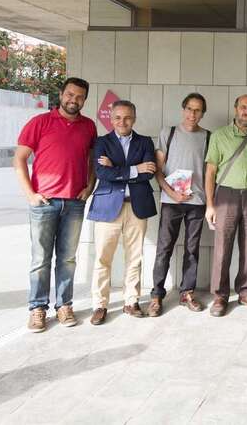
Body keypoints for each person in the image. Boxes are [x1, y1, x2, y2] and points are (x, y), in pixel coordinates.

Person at [14, 77, 96, 332]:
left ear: (85, 99)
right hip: (44, 202)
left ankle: (64, 306)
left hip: (74, 203)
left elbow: (92, 160)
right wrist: (30, 194)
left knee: (68, 259)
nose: (74, 100)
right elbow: (19, 159)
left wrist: (89, 186)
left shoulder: (89, 126)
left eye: (80, 96)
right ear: (61, 94)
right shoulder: (39, 122)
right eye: (70, 94)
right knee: (40, 258)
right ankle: (38, 308)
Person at [87, 100, 158, 325]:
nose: (122, 122)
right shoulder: (101, 142)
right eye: (117, 117)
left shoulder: (145, 141)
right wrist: (135, 168)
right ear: (111, 118)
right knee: (102, 258)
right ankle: (100, 305)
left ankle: (131, 301)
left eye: (127, 117)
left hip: (136, 206)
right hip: (108, 206)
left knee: (134, 257)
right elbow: (101, 172)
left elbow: (149, 173)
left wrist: (115, 167)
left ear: (134, 118)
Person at [205, 94, 247, 316]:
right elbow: (210, 171)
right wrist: (210, 204)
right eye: (243, 107)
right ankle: (220, 296)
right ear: (235, 109)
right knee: (223, 246)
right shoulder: (219, 136)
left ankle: (246, 292)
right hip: (226, 196)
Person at [148, 93, 210, 317]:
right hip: (171, 201)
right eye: (189, 109)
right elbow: (158, 168)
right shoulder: (169, 132)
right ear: (183, 109)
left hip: (197, 201)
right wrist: (171, 192)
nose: (193, 114)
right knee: (164, 248)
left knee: (192, 250)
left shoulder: (208, 137)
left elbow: (209, 173)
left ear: (203, 113)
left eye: (198, 110)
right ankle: (156, 295)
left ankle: (187, 293)